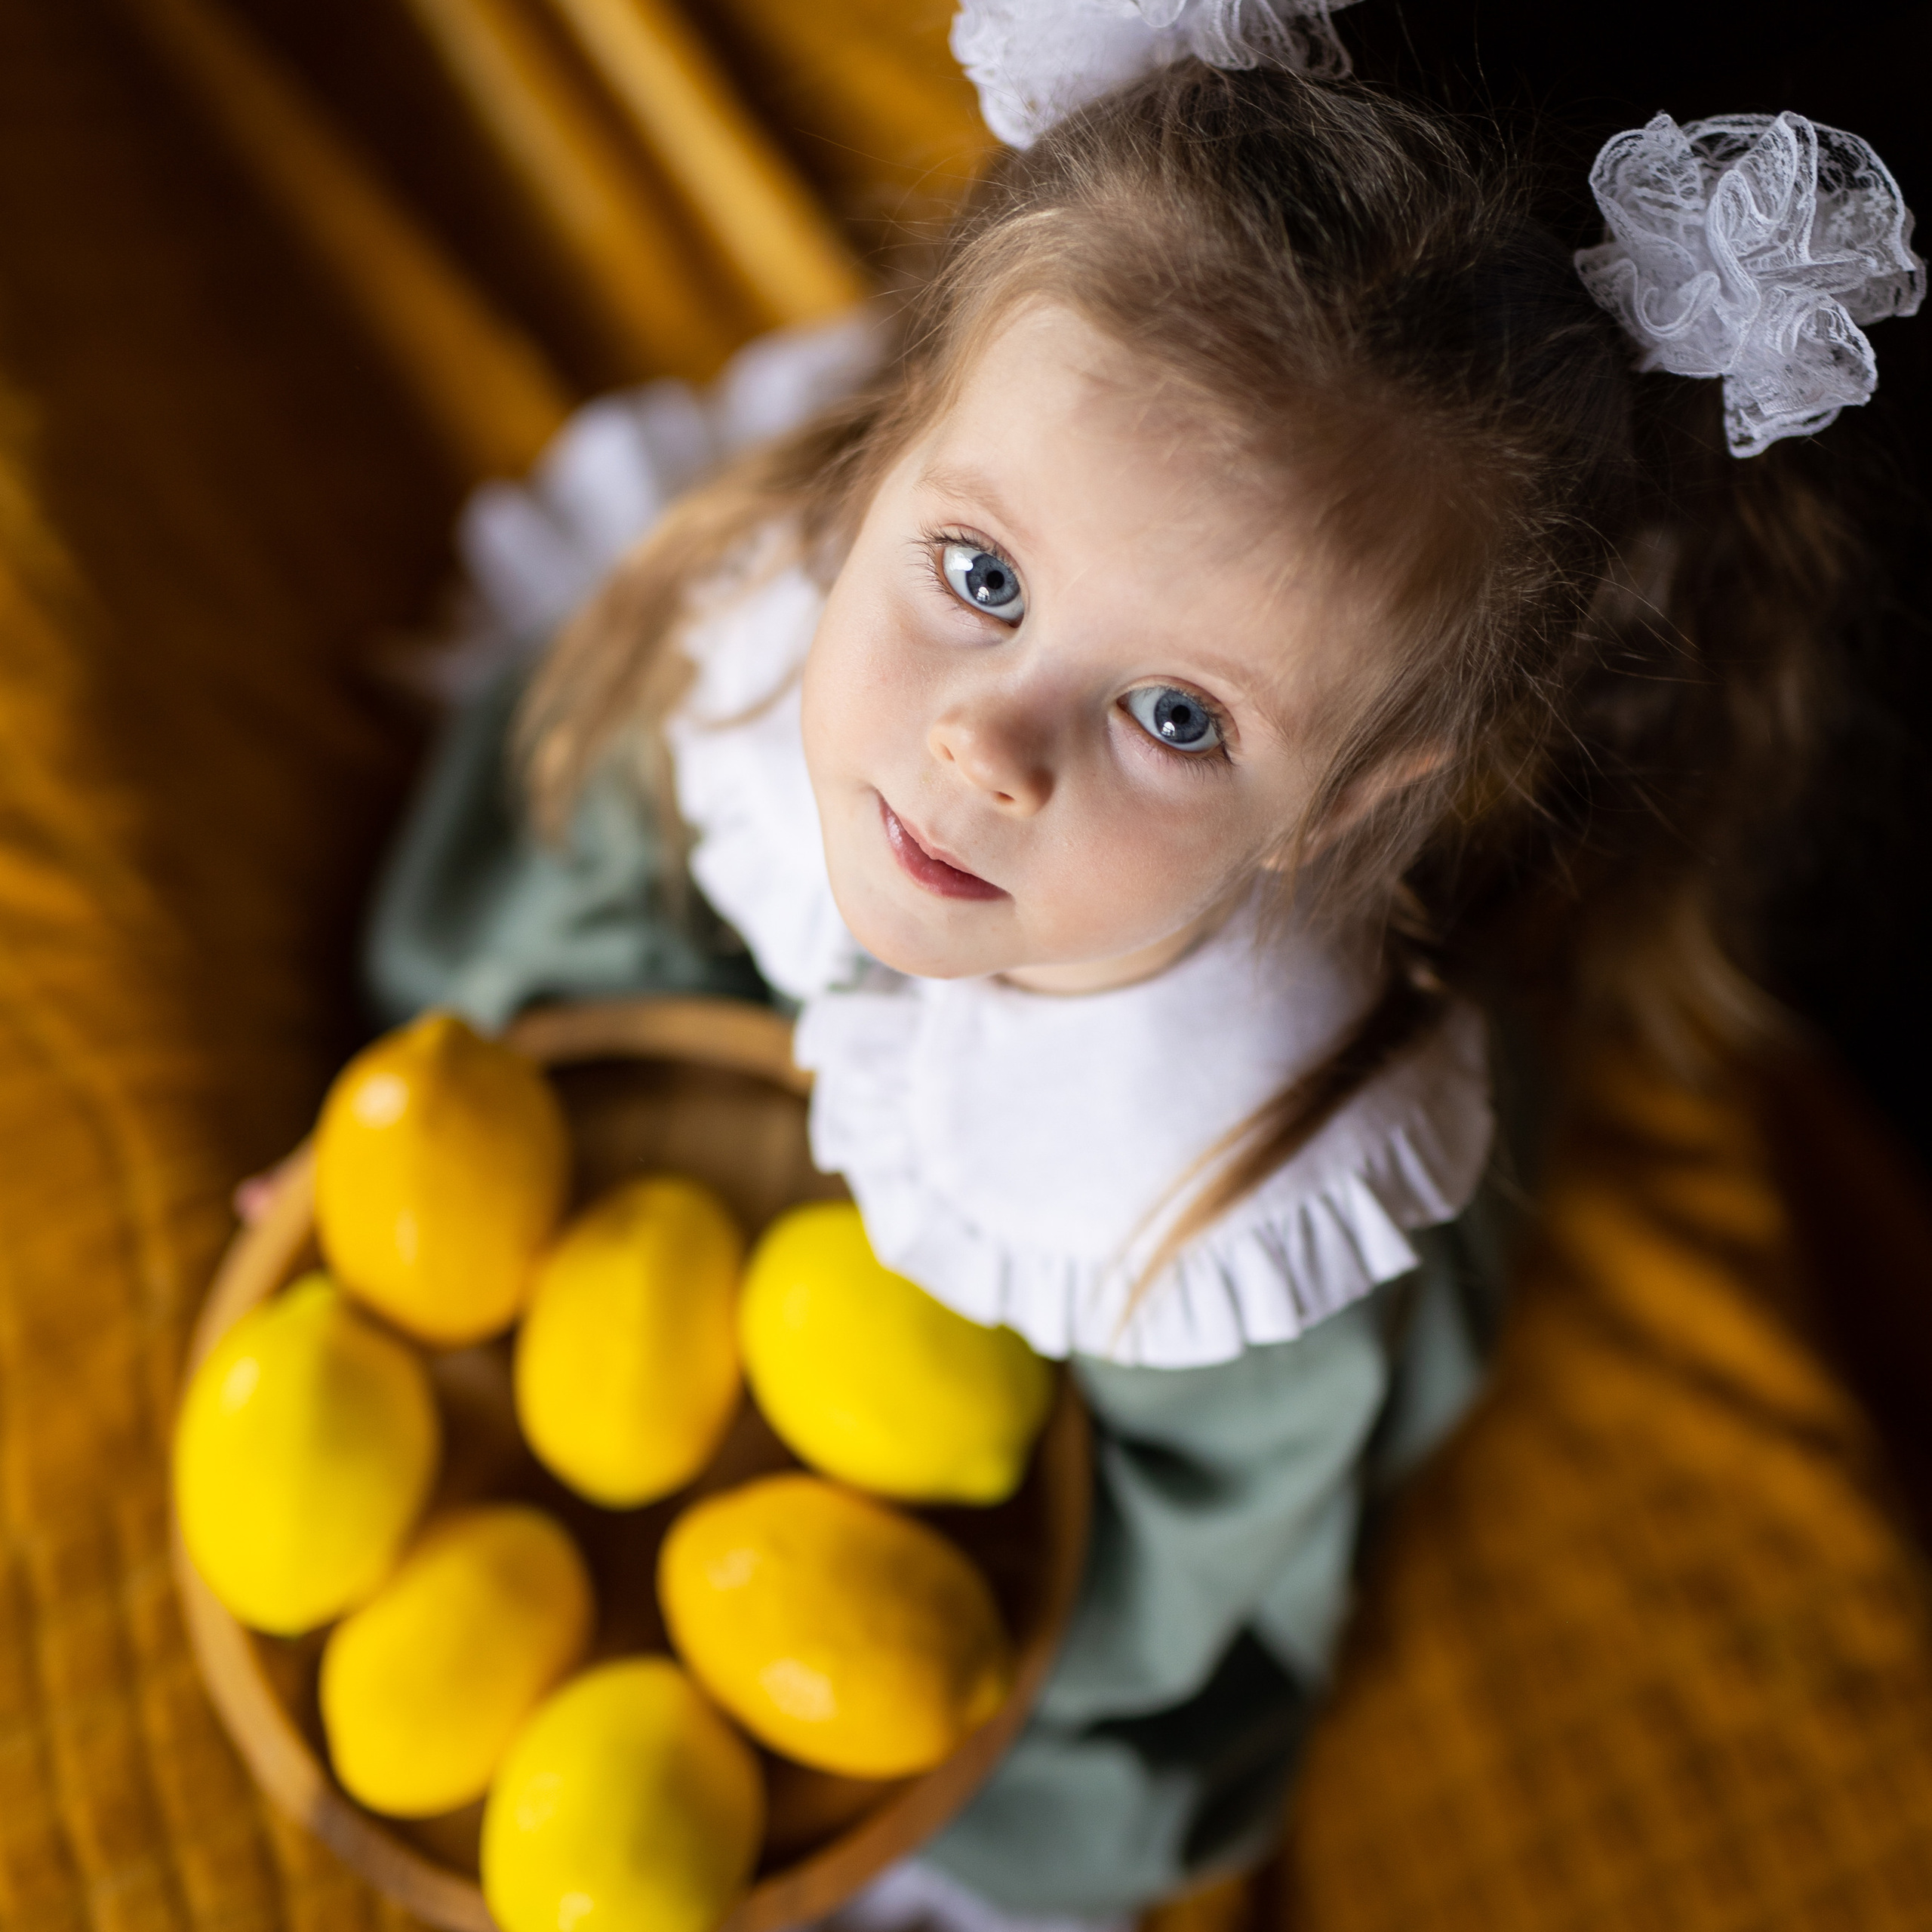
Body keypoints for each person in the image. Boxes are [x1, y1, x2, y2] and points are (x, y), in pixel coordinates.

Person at [355, 5, 1923, 1918]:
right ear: (889, 455)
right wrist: (476, 1134)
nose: (982, 747)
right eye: (981, 578)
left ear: (1343, 803)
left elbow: (1166, 1585)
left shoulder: (1238, 1175)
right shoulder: (772, 646)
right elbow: (579, 850)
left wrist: (902, 1677)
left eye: (1175, 716)